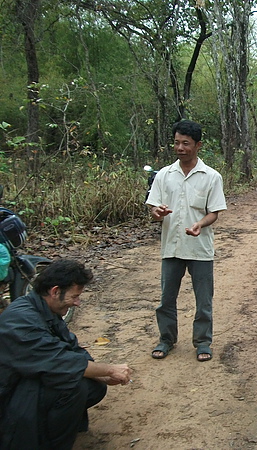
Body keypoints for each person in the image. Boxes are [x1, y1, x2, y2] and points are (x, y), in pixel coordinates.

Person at [0, 259, 133, 449]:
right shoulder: (20, 321)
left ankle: (52, 430)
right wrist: (110, 370)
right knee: (72, 384)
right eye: (75, 296)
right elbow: (62, 362)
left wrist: (100, 374)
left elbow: (71, 346)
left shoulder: (44, 309)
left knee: (94, 384)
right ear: (55, 291)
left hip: (31, 380)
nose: (77, 303)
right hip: (10, 395)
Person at [146, 119, 227, 362]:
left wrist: (200, 224)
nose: (180, 148)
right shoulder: (164, 175)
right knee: (166, 299)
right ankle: (166, 339)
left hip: (200, 248)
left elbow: (214, 211)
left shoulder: (211, 176)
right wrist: (156, 212)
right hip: (171, 247)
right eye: (177, 143)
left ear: (198, 145)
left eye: (186, 143)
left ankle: (203, 342)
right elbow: (153, 206)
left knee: (203, 300)